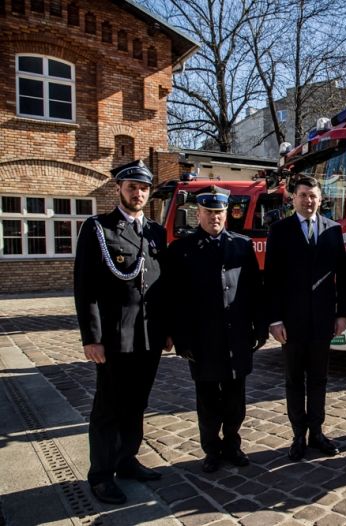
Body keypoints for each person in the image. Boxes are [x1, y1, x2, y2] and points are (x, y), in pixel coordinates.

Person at [74, 159, 170, 505]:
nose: (139, 193)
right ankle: (100, 475)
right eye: (132, 187)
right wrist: (91, 337)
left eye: (144, 188)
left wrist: (168, 330)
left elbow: (163, 287)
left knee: (137, 404)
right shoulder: (99, 228)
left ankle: (126, 460)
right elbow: (84, 287)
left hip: (149, 337)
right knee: (108, 408)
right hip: (115, 337)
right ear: (119, 189)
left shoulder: (156, 232)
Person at [168, 186, 267, 473]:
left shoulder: (241, 245)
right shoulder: (182, 249)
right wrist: (182, 339)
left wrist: (259, 329)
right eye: (209, 212)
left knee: (236, 400)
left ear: (227, 213)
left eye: (219, 212)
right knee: (208, 401)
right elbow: (177, 299)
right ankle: (211, 449)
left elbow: (254, 291)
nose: (215, 217)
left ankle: (233, 445)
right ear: (197, 213)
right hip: (203, 340)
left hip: (237, 337)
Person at [263, 176, 346, 461]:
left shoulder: (333, 230)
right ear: (293, 198)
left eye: (313, 196)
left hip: (324, 320)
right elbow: (272, 279)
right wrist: (274, 319)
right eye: (302, 195)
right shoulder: (279, 230)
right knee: (293, 380)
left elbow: (342, 275)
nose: (308, 200)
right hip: (291, 322)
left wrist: (342, 313)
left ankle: (317, 431)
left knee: (319, 379)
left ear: (321, 199)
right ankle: (298, 434)